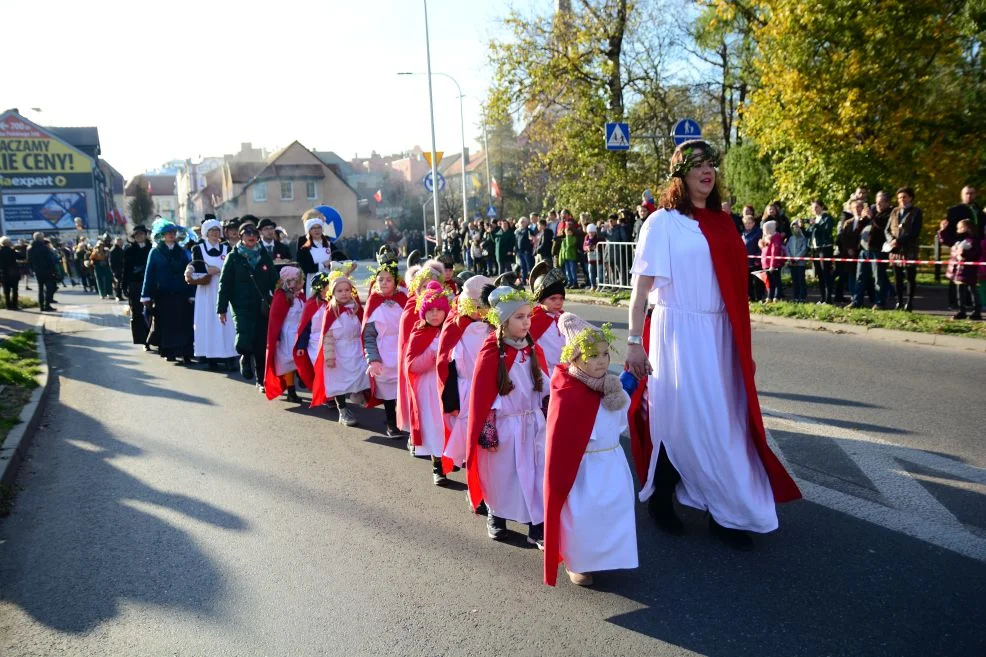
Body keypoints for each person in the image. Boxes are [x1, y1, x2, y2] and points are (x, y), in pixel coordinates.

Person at [625, 140, 800, 551]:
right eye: (697, 165)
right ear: (679, 175)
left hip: (719, 333)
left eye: (711, 164)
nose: (708, 171)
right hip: (677, 331)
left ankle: (726, 511)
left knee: (724, 422)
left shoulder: (723, 222)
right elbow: (640, 289)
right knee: (680, 416)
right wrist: (634, 342)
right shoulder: (661, 223)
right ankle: (663, 496)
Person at [543, 313, 636, 587]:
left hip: (611, 459)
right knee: (584, 515)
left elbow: (619, 420)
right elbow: (561, 439)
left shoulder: (610, 386)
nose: (602, 361)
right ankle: (579, 563)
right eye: (593, 356)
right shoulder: (567, 391)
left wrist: (620, 393)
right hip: (583, 467)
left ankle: (613, 556)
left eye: (606, 354)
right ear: (575, 358)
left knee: (615, 510)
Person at [465, 285, 549, 547]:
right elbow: (481, 398)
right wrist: (486, 429)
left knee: (535, 474)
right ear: (503, 320)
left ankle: (537, 525)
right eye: (519, 317)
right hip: (505, 426)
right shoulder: (491, 351)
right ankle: (496, 515)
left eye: (528, 316)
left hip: (533, 423)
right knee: (503, 475)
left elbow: (546, 383)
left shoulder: (532, 347)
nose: (526, 322)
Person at [438, 273, 493, 477]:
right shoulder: (455, 325)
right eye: (475, 306)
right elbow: (444, 364)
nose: (479, 312)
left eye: (483, 306)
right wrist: (451, 400)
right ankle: (473, 482)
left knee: (488, 440)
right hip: (464, 390)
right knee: (469, 437)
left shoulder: (495, 326)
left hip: (490, 391)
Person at [216, 221, 277, 390]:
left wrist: (284, 296)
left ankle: (260, 379)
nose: (251, 236)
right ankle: (244, 356)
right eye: (247, 234)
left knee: (260, 342)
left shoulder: (264, 256)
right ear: (241, 237)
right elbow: (224, 284)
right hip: (241, 305)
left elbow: (274, 280)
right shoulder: (233, 257)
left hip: (261, 305)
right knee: (243, 337)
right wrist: (221, 309)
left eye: (254, 234)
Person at [304, 270, 369, 426]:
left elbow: (364, 327)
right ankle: (343, 409)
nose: (344, 293)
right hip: (338, 351)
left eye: (347, 290)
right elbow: (327, 336)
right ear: (332, 293)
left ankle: (357, 393)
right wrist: (329, 356)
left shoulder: (355, 307)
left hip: (355, 348)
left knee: (360, 373)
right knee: (338, 381)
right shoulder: (331, 311)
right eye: (339, 291)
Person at [405, 281, 454, 484]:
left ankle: (451, 457)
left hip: (450, 385)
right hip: (429, 386)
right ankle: (438, 466)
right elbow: (412, 364)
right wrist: (434, 356)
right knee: (434, 426)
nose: (435, 315)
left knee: (451, 423)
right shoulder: (419, 333)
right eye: (430, 310)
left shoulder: (452, 331)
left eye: (439, 310)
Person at [397, 256, 445, 440]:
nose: (427, 290)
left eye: (431, 285)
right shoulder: (411, 310)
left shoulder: (443, 308)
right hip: (421, 370)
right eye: (423, 287)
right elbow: (408, 349)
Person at [362, 249, 408, 437]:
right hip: (383, 353)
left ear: (396, 281)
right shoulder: (373, 302)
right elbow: (369, 335)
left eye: (388, 279)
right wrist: (373, 358)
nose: (384, 283)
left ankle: (404, 420)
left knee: (402, 390)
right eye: (381, 279)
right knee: (389, 392)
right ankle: (391, 423)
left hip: (402, 350)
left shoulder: (402, 299)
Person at [186, 218, 238, 369]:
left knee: (227, 322)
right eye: (211, 231)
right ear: (205, 234)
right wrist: (209, 270)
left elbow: (231, 267)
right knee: (208, 321)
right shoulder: (198, 249)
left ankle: (230, 355)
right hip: (207, 290)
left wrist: (218, 270)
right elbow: (198, 266)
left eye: (217, 231)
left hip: (224, 288)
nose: (215, 234)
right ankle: (211, 357)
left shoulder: (226, 248)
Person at [141, 220, 194, 363]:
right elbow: (149, 274)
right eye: (168, 232)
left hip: (181, 292)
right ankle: (169, 352)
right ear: (162, 235)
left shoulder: (182, 252)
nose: (171, 235)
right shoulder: (155, 252)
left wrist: (191, 293)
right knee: (166, 324)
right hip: (163, 294)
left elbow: (189, 272)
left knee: (183, 323)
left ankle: (185, 352)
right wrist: (145, 295)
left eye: (173, 232)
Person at [263, 266, 306, 403]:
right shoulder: (281, 296)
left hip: (298, 333)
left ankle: (303, 378)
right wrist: (276, 337)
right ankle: (291, 390)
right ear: (289, 281)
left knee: (301, 358)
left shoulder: (300, 296)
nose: (302, 283)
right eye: (298, 280)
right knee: (287, 362)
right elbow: (275, 319)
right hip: (286, 335)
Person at [943, 186, 985, 309]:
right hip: (959, 246)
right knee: (954, 275)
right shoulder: (955, 210)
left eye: (972, 193)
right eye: (967, 193)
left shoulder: (978, 210)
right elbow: (949, 230)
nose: (969, 196)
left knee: (970, 276)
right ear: (962, 195)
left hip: (975, 246)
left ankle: (969, 303)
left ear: (975, 194)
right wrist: (955, 245)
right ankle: (954, 303)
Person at [886, 187, 923, 312]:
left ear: (910, 198)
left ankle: (909, 303)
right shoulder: (894, 211)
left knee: (910, 277)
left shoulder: (916, 212)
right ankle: (899, 302)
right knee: (897, 277)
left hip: (909, 249)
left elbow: (915, 232)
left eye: (904, 197)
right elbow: (887, 229)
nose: (901, 200)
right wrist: (891, 240)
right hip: (895, 250)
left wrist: (899, 240)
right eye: (899, 198)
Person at [528, 261, 567, 378]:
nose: (558, 302)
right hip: (545, 374)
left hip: (566, 371)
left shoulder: (564, 318)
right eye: (553, 298)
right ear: (541, 299)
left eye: (561, 298)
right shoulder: (533, 320)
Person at [941, 219, 982, 320]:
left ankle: (976, 311)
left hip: (969, 269)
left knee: (972, 289)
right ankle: (961, 311)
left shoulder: (973, 240)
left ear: (966, 228)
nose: (957, 230)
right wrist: (943, 230)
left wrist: (963, 254)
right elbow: (946, 241)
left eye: (959, 228)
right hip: (958, 269)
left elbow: (976, 253)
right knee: (960, 290)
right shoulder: (958, 239)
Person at [123, 225, 152, 345]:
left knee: (152, 312)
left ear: (145, 235)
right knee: (138, 313)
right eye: (136, 235)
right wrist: (124, 286)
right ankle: (143, 340)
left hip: (150, 283)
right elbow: (125, 269)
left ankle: (153, 338)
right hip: (135, 284)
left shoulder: (152, 248)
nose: (139, 236)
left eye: (141, 234)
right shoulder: (129, 250)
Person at [808, 199, 835, 304]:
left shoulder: (827, 218)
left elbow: (826, 231)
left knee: (826, 273)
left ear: (822, 207)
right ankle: (823, 298)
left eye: (816, 207)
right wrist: (800, 228)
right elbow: (809, 234)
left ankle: (828, 299)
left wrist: (815, 225)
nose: (814, 210)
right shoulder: (814, 219)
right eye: (813, 208)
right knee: (819, 274)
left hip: (825, 248)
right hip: (815, 249)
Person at [27, 232, 58, 312]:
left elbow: (29, 261)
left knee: (40, 289)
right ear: (41, 238)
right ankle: (47, 305)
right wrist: (54, 270)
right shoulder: (44, 248)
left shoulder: (30, 248)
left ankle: (41, 306)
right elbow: (49, 260)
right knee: (49, 288)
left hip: (37, 271)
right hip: (47, 270)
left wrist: (32, 269)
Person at [759, 219, 784, 303]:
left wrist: (772, 265)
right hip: (766, 263)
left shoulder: (776, 237)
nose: (763, 231)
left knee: (776, 281)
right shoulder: (766, 238)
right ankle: (769, 297)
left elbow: (775, 252)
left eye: (765, 229)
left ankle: (776, 297)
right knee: (768, 282)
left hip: (773, 264)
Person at [786, 219, 809, 302]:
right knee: (795, 280)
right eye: (794, 227)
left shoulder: (803, 238)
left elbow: (804, 250)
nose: (796, 229)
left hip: (800, 263)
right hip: (792, 263)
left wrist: (796, 259)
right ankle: (795, 296)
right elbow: (787, 249)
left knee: (801, 280)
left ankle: (802, 296)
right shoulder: (791, 239)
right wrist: (790, 258)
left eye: (797, 227)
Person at [741, 214, 763, 301]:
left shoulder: (758, 232)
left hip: (756, 261)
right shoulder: (743, 234)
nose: (748, 225)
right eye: (746, 223)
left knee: (757, 280)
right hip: (746, 262)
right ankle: (750, 297)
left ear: (754, 223)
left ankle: (759, 297)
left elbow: (760, 246)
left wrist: (758, 258)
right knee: (748, 281)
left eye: (750, 223)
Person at [0, 237, 22, 310]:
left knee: (6, 291)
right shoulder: (12, 251)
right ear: (8, 243)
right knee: (15, 290)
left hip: (3, 273)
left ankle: (8, 305)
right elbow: (21, 257)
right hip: (13, 273)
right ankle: (14, 305)